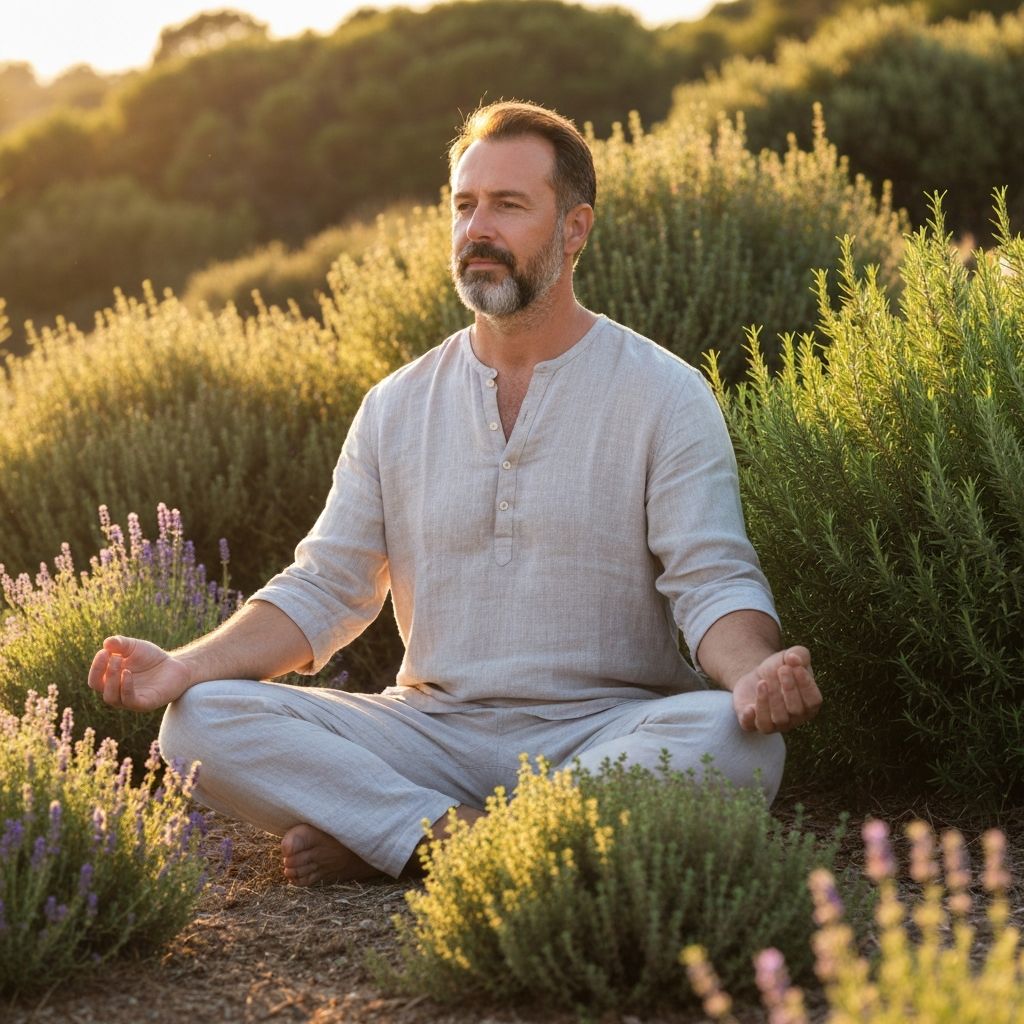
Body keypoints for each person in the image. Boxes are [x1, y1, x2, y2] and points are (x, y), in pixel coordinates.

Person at [87, 101, 822, 887]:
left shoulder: (664, 393)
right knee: (199, 721)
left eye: (508, 205)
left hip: (604, 733)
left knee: (734, 739)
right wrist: (183, 667)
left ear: (574, 229)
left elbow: (712, 580)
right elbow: (325, 589)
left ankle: (402, 839)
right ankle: (475, 839)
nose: (478, 229)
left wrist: (752, 674)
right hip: (430, 734)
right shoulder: (396, 405)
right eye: (464, 205)